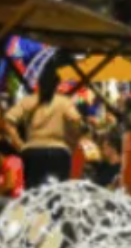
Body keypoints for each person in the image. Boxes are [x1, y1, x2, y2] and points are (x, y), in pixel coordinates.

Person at [5, 54, 83, 189]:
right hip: (59, 152)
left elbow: (7, 121)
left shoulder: (28, 101)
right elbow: (76, 120)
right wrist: (72, 143)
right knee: (57, 193)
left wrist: (19, 144)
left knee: (33, 194)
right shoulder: (64, 102)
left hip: (32, 151)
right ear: (57, 83)